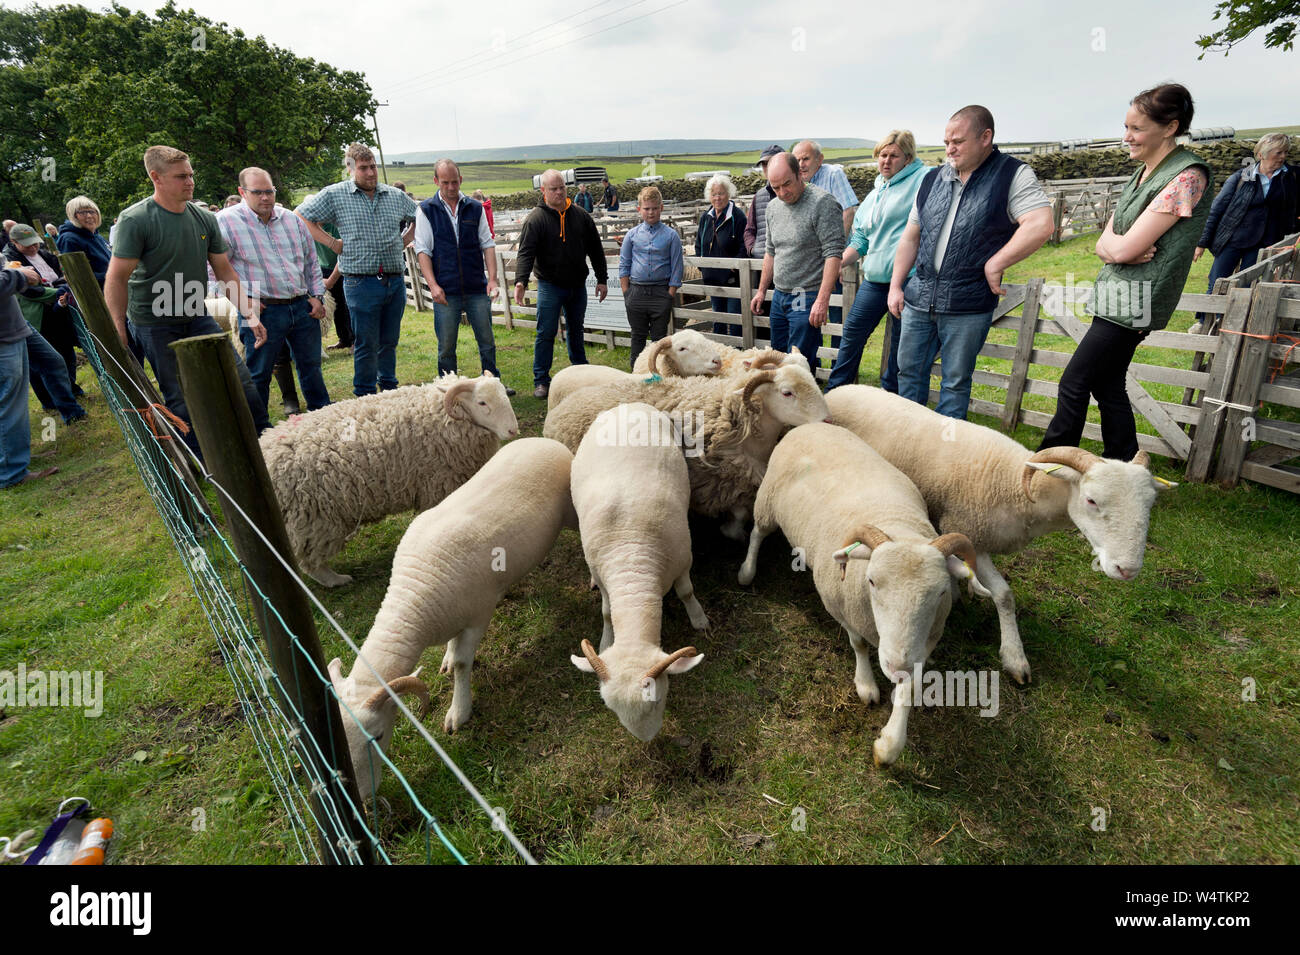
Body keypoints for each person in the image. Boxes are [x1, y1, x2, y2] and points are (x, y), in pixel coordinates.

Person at [1039, 84, 1212, 462]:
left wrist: (1119, 250)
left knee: (1074, 381)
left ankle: (1049, 464)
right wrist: (1118, 250)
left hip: (1140, 298)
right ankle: (1125, 463)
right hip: (1120, 294)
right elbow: (1108, 242)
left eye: (1136, 128)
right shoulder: (1143, 174)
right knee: (1107, 383)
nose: (1126, 137)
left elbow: (1125, 246)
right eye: (1126, 126)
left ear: (1170, 128)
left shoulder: (1187, 177)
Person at [889, 105, 1054, 419]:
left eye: (958, 141)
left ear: (985, 137)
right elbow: (911, 237)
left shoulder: (1011, 174)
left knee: (954, 382)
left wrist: (996, 263)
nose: (950, 148)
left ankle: (947, 457)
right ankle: (906, 443)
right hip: (918, 299)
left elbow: (1040, 223)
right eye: (946, 141)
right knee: (908, 374)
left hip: (968, 304)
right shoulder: (931, 179)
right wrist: (896, 285)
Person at [105, 145, 270, 458]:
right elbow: (116, 277)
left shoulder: (204, 218)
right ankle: (204, 462)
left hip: (197, 314)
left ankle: (266, 447)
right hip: (154, 322)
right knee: (180, 398)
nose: (190, 181)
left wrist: (249, 314)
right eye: (181, 176)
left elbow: (224, 269)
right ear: (156, 177)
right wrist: (117, 324)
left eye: (191, 174)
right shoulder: (135, 220)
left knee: (241, 382)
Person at [297, 143, 418, 396]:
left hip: (394, 280)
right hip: (360, 282)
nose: (371, 173)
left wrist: (406, 240)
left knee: (389, 340)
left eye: (373, 166)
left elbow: (421, 216)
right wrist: (332, 243)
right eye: (364, 168)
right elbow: (301, 216)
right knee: (365, 342)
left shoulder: (394, 196)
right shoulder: (335, 195)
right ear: (351, 169)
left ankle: (388, 388)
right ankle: (364, 392)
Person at [217, 166, 332, 414]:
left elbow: (311, 261)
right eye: (257, 192)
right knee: (259, 372)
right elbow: (214, 268)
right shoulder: (226, 222)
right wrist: (243, 301)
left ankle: (322, 414)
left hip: (302, 307)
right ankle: (257, 429)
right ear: (242, 192)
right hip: (262, 310)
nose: (265, 197)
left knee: (311, 366)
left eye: (269, 191)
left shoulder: (291, 219)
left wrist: (316, 296)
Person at [826, 131, 928, 393]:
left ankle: (890, 397)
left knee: (900, 344)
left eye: (893, 155)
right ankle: (838, 391)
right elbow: (860, 239)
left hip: (909, 278)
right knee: (852, 334)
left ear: (907, 157)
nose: (886, 161)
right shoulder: (875, 192)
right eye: (882, 155)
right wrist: (840, 263)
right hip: (874, 279)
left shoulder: (922, 181)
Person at [414, 159, 513, 393]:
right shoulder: (426, 210)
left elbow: (487, 244)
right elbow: (423, 250)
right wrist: (433, 285)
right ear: (436, 181)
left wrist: (492, 279)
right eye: (445, 182)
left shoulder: (474, 208)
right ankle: (448, 389)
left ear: (461, 179)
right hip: (446, 289)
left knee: (486, 340)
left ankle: (492, 384)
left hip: (476, 286)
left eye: (455, 181)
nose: (451, 187)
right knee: (447, 345)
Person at [513, 168, 608, 399]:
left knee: (576, 330)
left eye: (561, 187)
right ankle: (542, 380)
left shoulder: (581, 216)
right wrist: (520, 281)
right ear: (543, 191)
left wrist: (602, 279)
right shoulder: (536, 219)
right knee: (545, 332)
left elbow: (595, 249)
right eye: (553, 189)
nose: (558, 192)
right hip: (549, 286)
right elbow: (526, 252)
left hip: (577, 285)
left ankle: (581, 372)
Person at [1190, 132, 1296, 332]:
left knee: (1247, 286)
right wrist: (1201, 243)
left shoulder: (1290, 177)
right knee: (1218, 281)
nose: (1282, 156)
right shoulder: (1242, 176)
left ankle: (1232, 325)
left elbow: (1292, 211)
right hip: (1232, 238)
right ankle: (1204, 323)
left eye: (1285, 152)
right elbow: (1217, 209)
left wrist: (1288, 239)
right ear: (1262, 154)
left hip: (1265, 242)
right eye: (1278, 152)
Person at [750, 152, 843, 370]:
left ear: (799, 173)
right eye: (776, 187)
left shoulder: (822, 203)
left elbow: (833, 254)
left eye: (787, 184)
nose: (782, 192)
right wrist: (762, 290)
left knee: (798, 361)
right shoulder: (773, 207)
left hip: (805, 294)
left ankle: (805, 400)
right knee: (777, 356)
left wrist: (821, 300)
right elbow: (771, 251)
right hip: (780, 294)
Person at [5, 223, 83, 398]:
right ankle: (50, 398)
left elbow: (62, 275)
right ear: (14, 242)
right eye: (27, 244)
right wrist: (62, 291)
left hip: (58, 309)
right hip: (37, 316)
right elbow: (28, 291)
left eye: (35, 242)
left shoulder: (45, 254)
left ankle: (70, 387)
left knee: (66, 350)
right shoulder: (10, 262)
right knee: (46, 359)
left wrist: (62, 288)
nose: (33, 247)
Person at [1, 264, 59, 488]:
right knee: (9, 405)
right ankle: (11, 472)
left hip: (9, 333)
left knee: (11, 403)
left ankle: (12, 460)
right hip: (3, 341)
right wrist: (18, 275)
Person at [619, 186, 684, 368]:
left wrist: (669, 294)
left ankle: (660, 375)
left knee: (660, 340)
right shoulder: (632, 236)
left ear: (661, 208)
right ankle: (636, 374)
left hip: (660, 293)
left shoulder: (671, 236)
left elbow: (677, 267)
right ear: (639, 209)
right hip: (636, 293)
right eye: (646, 208)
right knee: (637, 336)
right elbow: (624, 265)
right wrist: (627, 294)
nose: (651, 212)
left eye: (654, 208)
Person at [696, 174, 747, 338]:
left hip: (732, 280)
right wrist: (702, 267)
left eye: (721, 193)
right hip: (712, 279)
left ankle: (737, 355)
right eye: (714, 194)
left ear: (729, 193)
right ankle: (720, 356)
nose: (717, 197)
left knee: (734, 320)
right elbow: (699, 244)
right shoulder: (706, 217)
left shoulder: (738, 217)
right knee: (718, 319)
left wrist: (733, 268)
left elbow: (744, 245)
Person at [302, 192, 353, 353]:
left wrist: (331, 280)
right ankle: (344, 339)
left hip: (341, 268)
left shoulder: (335, 227)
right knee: (332, 306)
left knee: (346, 305)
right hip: (321, 269)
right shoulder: (307, 228)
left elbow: (344, 253)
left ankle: (354, 341)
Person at [794, 140, 859, 238]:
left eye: (806, 159)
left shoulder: (833, 174)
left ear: (820, 159)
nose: (801, 165)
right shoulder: (798, 181)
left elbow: (848, 212)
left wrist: (837, 247)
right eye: (797, 160)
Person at [56, 196, 112, 287]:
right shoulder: (69, 239)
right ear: (74, 216)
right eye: (83, 212)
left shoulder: (97, 236)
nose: (89, 216)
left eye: (92, 211)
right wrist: (113, 275)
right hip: (97, 293)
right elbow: (78, 277)